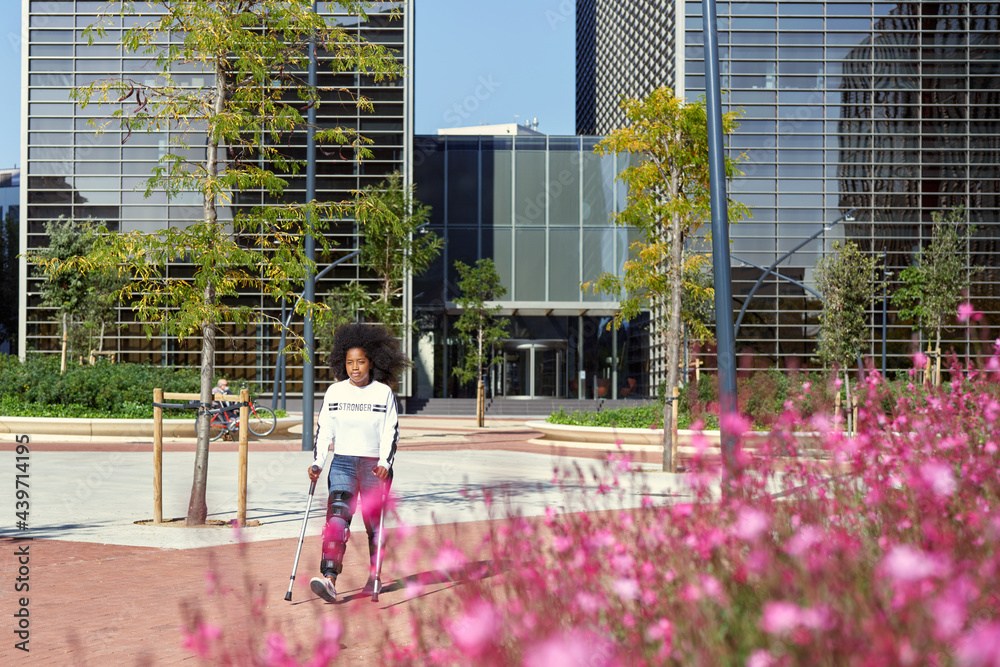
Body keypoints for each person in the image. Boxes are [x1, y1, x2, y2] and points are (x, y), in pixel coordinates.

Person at [308, 323, 408, 602]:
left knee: (374, 526)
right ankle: (329, 579)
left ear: (371, 362)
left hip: (374, 468)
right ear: (343, 363)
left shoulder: (383, 393)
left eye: (360, 362)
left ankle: (374, 575)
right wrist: (318, 462)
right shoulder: (335, 392)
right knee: (337, 519)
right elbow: (324, 429)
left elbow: (391, 431)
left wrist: (385, 464)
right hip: (342, 463)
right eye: (350, 362)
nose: (355, 368)